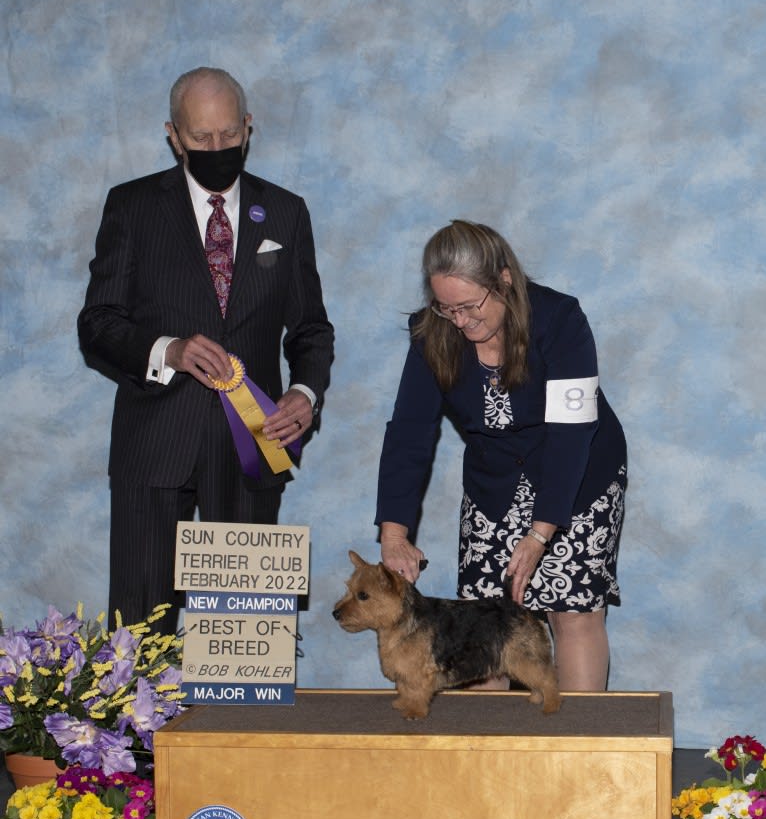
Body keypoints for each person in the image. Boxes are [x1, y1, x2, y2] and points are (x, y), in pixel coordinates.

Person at [78, 66, 334, 626]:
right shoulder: (132, 207)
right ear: (174, 135)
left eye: (228, 135)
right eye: (200, 138)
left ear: (248, 127)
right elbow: (96, 324)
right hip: (154, 445)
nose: (217, 148)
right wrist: (167, 350)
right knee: (142, 630)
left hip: (252, 443)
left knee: (242, 634)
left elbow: (312, 328)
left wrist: (304, 394)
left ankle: (235, 718)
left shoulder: (286, 211)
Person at [376, 220, 626, 691]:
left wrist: (540, 533)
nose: (461, 321)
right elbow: (409, 432)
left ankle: (580, 749)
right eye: (446, 308)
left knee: (571, 613)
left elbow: (571, 435)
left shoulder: (559, 319)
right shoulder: (432, 333)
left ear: (504, 281)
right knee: (482, 624)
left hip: (578, 480)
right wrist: (394, 534)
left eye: (470, 306)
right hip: (494, 485)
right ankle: (489, 757)